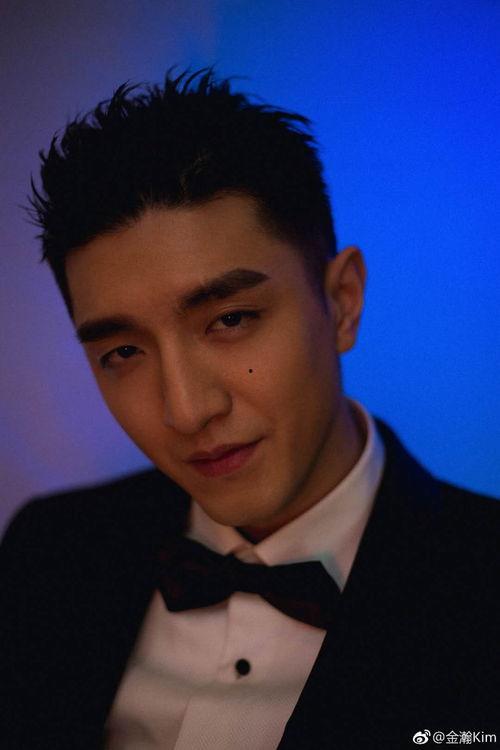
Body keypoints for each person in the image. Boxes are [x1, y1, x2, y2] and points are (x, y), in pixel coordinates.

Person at [1, 69, 498, 750]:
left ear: (342, 302)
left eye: (230, 319)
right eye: (123, 352)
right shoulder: (49, 553)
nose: (186, 411)